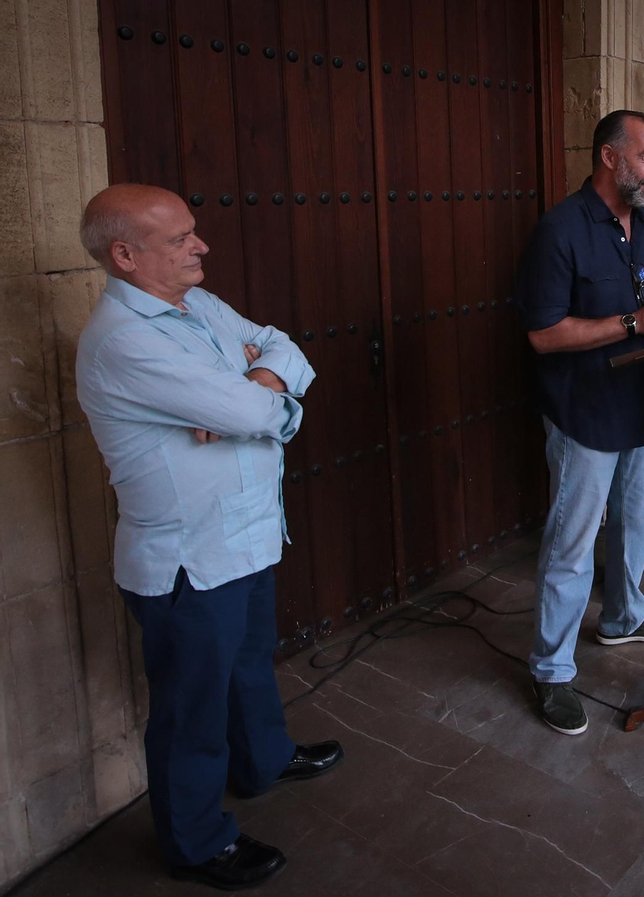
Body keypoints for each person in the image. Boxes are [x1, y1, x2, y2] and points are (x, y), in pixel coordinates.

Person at [75, 184, 341, 890]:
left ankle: (263, 757)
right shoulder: (124, 339)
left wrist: (252, 386)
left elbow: (284, 346)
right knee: (191, 707)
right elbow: (255, 410)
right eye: (181, 239)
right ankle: (195, 840)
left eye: (194, 232)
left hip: (248, 534)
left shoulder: (198, 304)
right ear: (125, 255)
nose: (203, 247)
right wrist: (253, 401)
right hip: (188, 556)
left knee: (250, 662)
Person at [515, 110, 644, 737]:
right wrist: (634, 324)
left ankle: (623, 617)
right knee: (572, 543)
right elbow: (542, 333)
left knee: (640, 519)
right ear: (610, 157)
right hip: (585, 413)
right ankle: (552, 669)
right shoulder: (560, 230)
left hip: (640, 406)